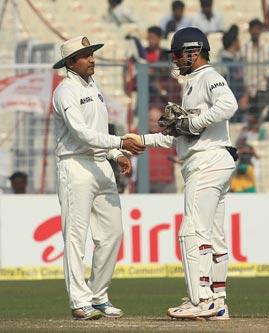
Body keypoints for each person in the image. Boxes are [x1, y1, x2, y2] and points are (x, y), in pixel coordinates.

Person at [124, 27, 238, 320]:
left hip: (207, 162)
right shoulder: (193, 82)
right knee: (213, 234)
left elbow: (229, 105)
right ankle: (219, 299)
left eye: (177, 54)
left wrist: (194, 122)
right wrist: (144, 139)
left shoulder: (208, 77)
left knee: (192, 231)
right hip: (214, 159)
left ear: (193, 52)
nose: (175, 60)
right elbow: (180, 136)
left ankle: (202, 299)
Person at [51, 36, 144, 320]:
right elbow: (80, 133)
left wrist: (116, 156)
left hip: (102, 164)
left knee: (112, 233)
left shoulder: (94, 86)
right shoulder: (65, 90)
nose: (92, 59)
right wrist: (119, 144)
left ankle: (98, 295)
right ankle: (79, 302)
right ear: (70, 62)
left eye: (92, 53)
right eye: (85, 55)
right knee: (76, 237)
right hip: (74, 165)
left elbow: (98, 128)